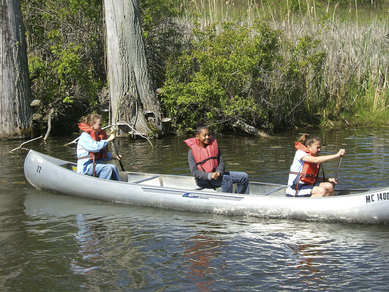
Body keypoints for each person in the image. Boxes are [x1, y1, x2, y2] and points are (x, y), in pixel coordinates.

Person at [184, 124, 249, 194]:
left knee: (244, 176)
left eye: (209, 135)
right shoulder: (191, 152)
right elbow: (194, 172)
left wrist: (219, 172)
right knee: (227, 179)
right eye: (204, 135)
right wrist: (210, 175)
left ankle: (241, 198)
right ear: (197, 137)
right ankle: (227, 201)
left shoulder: (214, 147)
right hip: (203, 180)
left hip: (218, 175)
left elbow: (222, 163)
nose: (207, 137)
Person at [76, 114, 121, 181]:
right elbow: (95, 147)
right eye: (99, 125)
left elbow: (100, 155)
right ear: (92, 125)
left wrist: (112, 157)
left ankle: (118, 185)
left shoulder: (97, 136)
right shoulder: (85, 136)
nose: (101, 127)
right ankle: (102, 187)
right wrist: (108, 140)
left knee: (113, 167)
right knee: (107, 168)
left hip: (95, 164)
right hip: (86, 167)